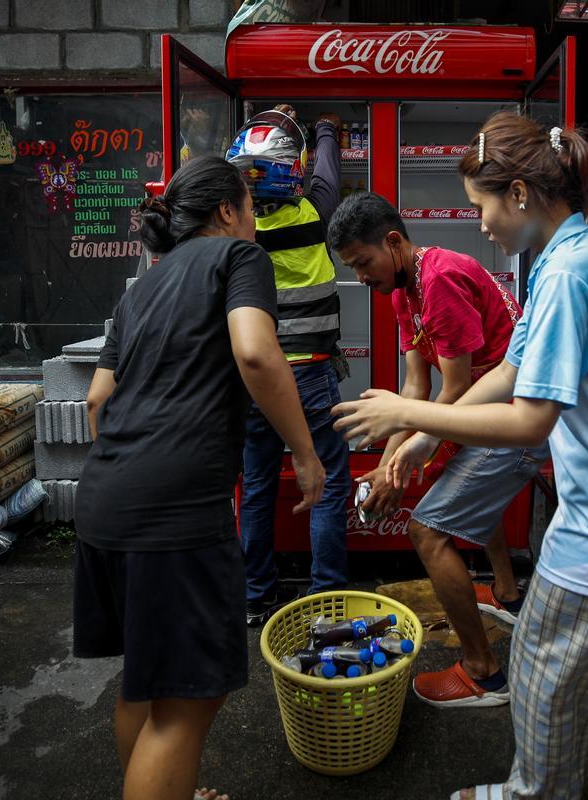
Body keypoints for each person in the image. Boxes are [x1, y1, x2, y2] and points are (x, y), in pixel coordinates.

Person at [333, 112, 588, 800]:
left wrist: (406, 412)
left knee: (536, 657)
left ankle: (537, 792)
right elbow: (504, 375)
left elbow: (530, 423)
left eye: (482, 206)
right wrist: (421, 436)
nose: (480, 225)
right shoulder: (566, 257)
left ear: (522, 194)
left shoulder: (567, 273)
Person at [73, 156, 325, 800]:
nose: (254, 219)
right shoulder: (239, 260)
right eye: (249, 205)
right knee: (187, 700)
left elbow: (98, 402)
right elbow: (254, 350)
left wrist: (134, 468)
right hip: (177, 512)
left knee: (148, 680)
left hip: (104, 500)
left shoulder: (142, 289)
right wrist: (304, 452)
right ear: (227, 212)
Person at [326, 191, 546, 708]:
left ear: (394, 242)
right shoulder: (405, 291)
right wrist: (385, 466)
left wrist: (405, 458)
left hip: (513, 419)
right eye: (352, 268)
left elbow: (453, 389)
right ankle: (507, 592)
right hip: (479, 415)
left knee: (427, 531)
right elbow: (414, 392)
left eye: (363, 262)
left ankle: (484, 672)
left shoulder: (441, 278)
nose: (361, 277)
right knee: (463, 491)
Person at [227, 104, 353, 625]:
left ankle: (257, 595)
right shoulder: (315, 212)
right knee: (326, 480)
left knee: (255, 486)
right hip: (313, 376)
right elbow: (328, 166)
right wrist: (323, 127)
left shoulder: (235, 228)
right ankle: (327, 596)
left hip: (257, 380)